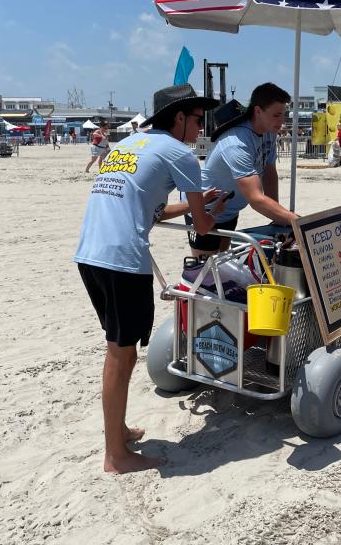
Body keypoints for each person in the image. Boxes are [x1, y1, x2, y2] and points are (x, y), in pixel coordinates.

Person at [74, 84, 224, 474]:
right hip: (122, 261)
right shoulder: (181, 154)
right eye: (197, 118)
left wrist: (198, 201)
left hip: (90, 254)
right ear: (179, 118)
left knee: (117, 349)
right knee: (121, 356)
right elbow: (204, 228)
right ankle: (116, 457)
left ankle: (118, 432)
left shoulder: (130, 144)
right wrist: (214, 208)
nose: (200, 126)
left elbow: (151, 211)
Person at [193, 82, 299, 254]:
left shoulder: (269, 133)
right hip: (205, 207)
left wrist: (279, 216)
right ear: (258, 111)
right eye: (276, 115)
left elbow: (269, 172)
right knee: (203, 274)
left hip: (230, 209)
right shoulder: (237, 143)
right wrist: (296, 220)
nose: (282, 121)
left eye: (283, 115)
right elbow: (256, 198)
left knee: (222, 266)